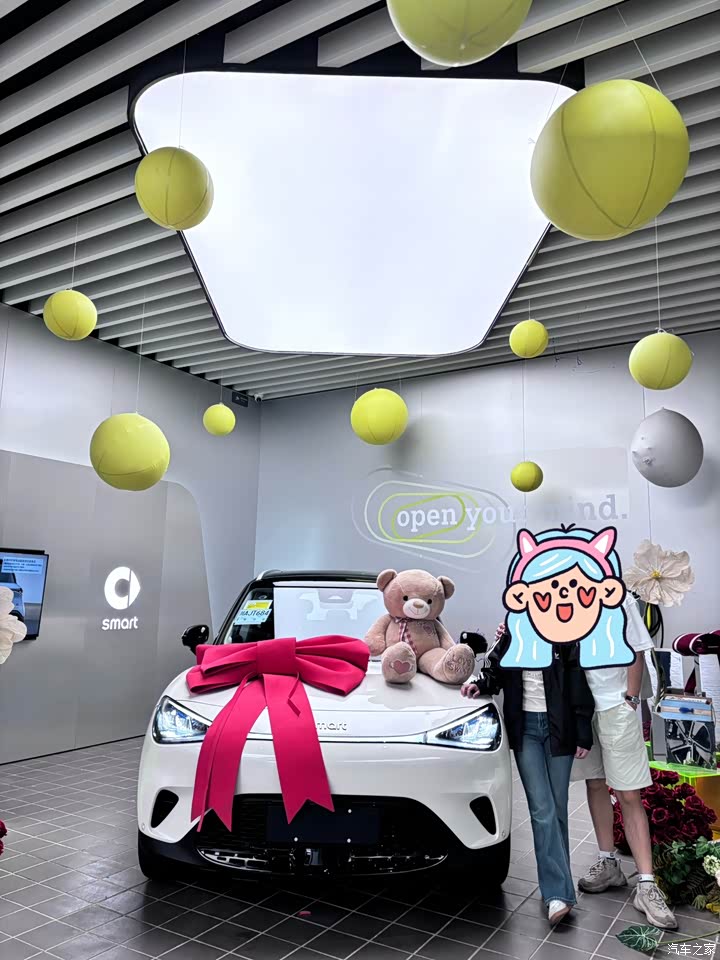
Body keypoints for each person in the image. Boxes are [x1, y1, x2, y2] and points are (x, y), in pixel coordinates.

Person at [463, 621, 594, 926]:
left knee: (557, 809)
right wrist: (481, 685)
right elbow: (495, 669)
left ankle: (556, 885)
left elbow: (577, 681)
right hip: (526, 730)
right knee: (542, 810)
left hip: (560, 728)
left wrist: (583, 730)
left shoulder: (564, 632)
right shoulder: (512, 630)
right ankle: (557, 893)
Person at [572, 593, 678, 930]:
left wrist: (630, 699)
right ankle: (608, 863)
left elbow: (636, 648)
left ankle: (646, 884)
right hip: (580, 707)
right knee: (594, 783)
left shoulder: (618, 598)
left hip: (615, 704)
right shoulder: (561, 595)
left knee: (629, 792)